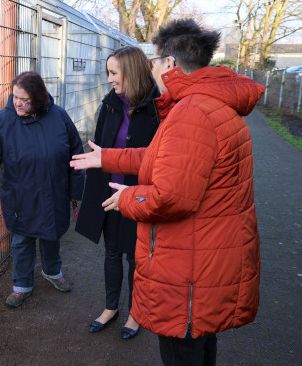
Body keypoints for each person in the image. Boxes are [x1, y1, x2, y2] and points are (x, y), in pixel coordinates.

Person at [70, 19, 264, 365]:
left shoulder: (192, 112)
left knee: (182, 351)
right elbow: (170, 158)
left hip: (190, 267)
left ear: (170, 64)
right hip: (207, 257)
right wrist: (108, 157)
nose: (153, 70)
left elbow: (172, 197)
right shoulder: (208, 104)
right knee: (200, 346)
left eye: (154, 62)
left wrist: (126, 198)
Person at [0, 71, 85, 308]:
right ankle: (22, 285)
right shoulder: (3, 121)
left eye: (25, 99)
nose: (18, 103)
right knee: (21, 241)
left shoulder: (59, 117)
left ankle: (52, 271)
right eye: (15, 97)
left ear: (39, 99)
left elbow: (76, 155)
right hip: (21, 197)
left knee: (52, 237)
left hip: (53, 193)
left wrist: (75, 191)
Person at [75, 46, 159, 338]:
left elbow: (159, 158)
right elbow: (100, 149)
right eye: (108, 72)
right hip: (111, 195)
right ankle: (111, 308)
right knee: (111, 253)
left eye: (113, 72)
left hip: (139, 196)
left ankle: (135, 314)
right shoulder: (110, 105)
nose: (109, 79)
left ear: (131, 71)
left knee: (136, 258)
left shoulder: (157, 109)